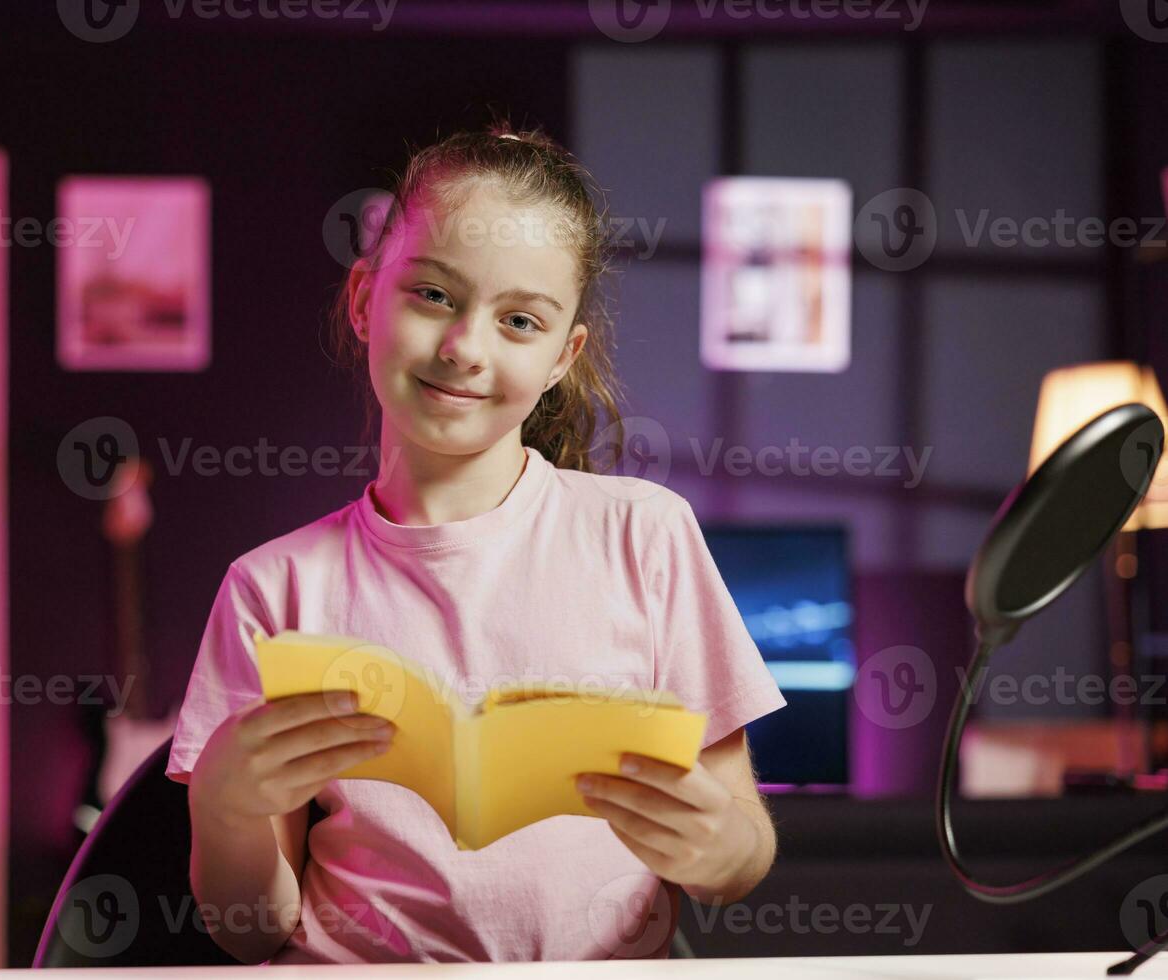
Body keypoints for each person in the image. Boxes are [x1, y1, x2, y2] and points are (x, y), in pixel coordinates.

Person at [166, 120, 787, 964]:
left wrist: (722, 852)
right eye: (432, 295)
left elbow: (741, 856)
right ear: (362, 300)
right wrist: (225, 810)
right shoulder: (271, 587)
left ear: (564, 356)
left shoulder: (646, 535)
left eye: (520, 321)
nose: (464, 348)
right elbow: (250, 931)